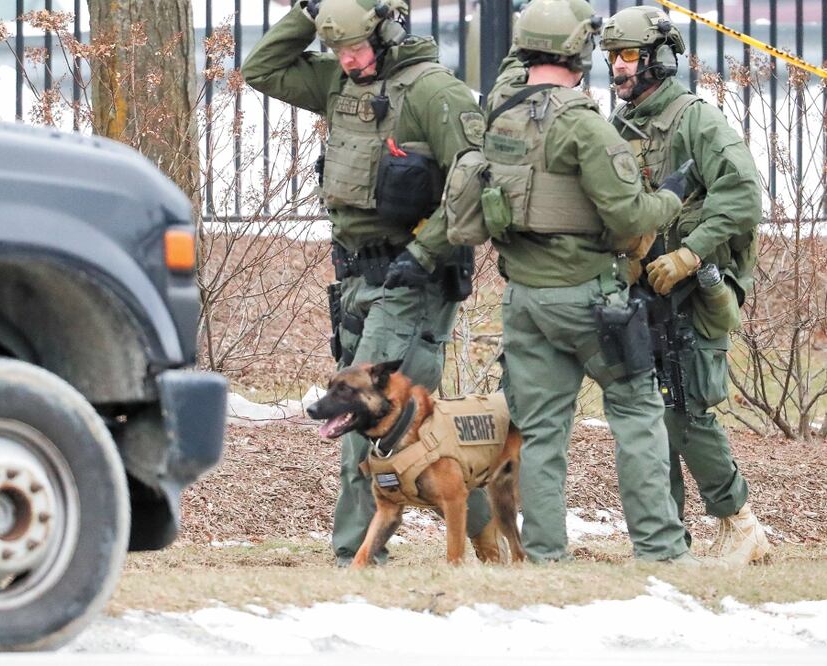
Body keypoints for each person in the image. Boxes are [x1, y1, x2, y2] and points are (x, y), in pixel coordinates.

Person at [243, 0, 505, 566]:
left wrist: (424, 250)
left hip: (412, 280)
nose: (349, 59)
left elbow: (478, 178)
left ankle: (355, 558)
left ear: (387, 33)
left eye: (357, 46)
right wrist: (311, 13)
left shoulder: (433, 92)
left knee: (363, 413)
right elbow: (259, 70)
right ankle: (491, 540)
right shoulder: (341, 81)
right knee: (408, 428)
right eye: (338, 48)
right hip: (358, 275)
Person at [482, 0, 693, 563]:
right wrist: (670, 194)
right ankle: (662, 550)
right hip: (589, 300)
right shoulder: (583, 123)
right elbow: (628, 216)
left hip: (524, 298)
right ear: (580, 51)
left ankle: (548, 556)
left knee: (542, 430)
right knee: (637, 412)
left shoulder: (501, 110)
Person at [601, 5, 768, 565]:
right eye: (610, 58)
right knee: (652, 416)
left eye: (626, 56)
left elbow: (744, 193)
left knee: (687, 411)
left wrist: (691, 254)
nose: (617, 69)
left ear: (656, 58)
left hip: (697, 292)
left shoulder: (695, 118)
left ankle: (740, 522)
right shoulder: (620, 127)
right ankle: (668, 541)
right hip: (642, 291)